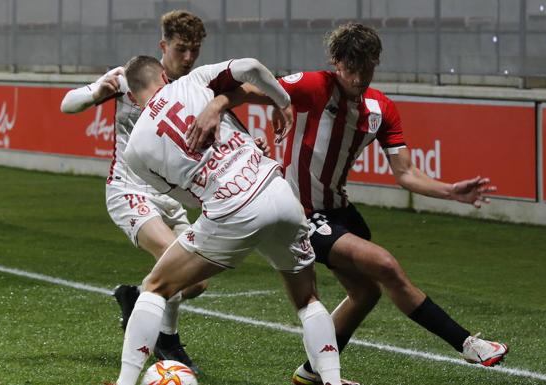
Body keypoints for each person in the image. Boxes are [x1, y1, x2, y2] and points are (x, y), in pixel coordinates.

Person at [186, 23, 509, 385]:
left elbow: (406, 173)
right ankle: (467, 344)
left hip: (341, 212)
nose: (356, 78)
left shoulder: (381, 109)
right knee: (385, 264)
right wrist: (215, 105)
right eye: (349, 69)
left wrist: (451, 191)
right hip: (301, 214)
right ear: (335, 62)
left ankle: (311, 373)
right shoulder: (313, 86)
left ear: (375, 63)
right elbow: (247, 89)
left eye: (365, 69)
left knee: (365, 292)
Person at [109, 54, 344, 385]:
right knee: (307, 299)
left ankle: (124, 382)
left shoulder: (134, 152)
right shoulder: (193, 81)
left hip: (232, 209)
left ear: (132, 97)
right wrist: (282, 102)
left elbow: (186, 196)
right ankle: (332, 380)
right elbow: (250, 67)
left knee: (155, 286)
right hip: (278, 191)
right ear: (164, 75)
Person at [59, 10, 210, 372]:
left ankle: (136, 298)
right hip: (129, 190)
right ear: (164, 46)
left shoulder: (197, 88)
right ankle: (168, 342)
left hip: (171, 196)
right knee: (178, 261)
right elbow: (67, 105)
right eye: (181, 48)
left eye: (194, 50)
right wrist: (97, 91)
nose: (188, 58)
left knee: (197, 282)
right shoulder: (130, 78)